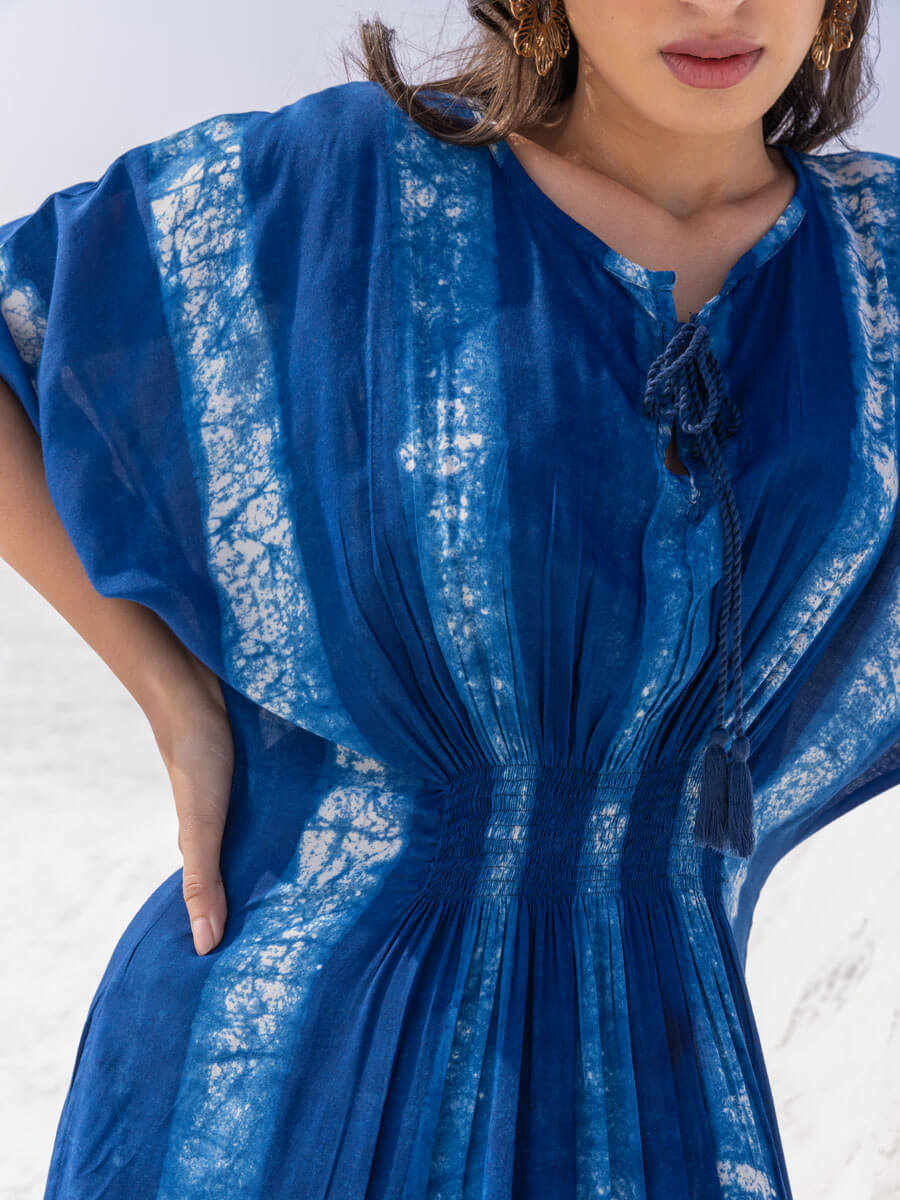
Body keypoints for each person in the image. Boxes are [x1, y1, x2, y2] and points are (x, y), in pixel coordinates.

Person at [0, 0, 895, 1195]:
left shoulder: (874, 275)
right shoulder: (356, 193)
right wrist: (172, 699)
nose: (718, 5)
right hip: (283, 1085)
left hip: (657, 1079)